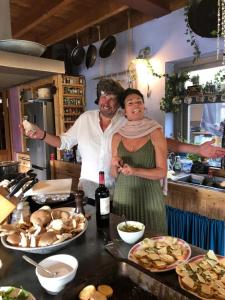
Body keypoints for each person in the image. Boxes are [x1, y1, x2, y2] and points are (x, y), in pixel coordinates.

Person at [23, 79, 225, 201]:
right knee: (92, 230)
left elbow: (161, 141)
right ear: (98, 99)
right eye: (102, 97)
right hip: (89, 186)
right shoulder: (85, 119)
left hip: (120, 187)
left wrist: (198, 150)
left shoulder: (127, 121)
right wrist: (41, 135)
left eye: (111, 98)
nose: (106, 102)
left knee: (115, 232)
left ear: (119, 103)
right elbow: (63, 142)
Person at [111, 88, 168, 234]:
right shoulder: (117, 137)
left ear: (144, 106)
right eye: (130, 103)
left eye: (139, 102)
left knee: (155, 246)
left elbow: (162, 172)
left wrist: (135, 171)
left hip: (150, 201)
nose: (136, 105)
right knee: (122, 248)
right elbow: (114, 174)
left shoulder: (155, 132)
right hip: (124, 198)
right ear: (124, 111)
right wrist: (114, 162)